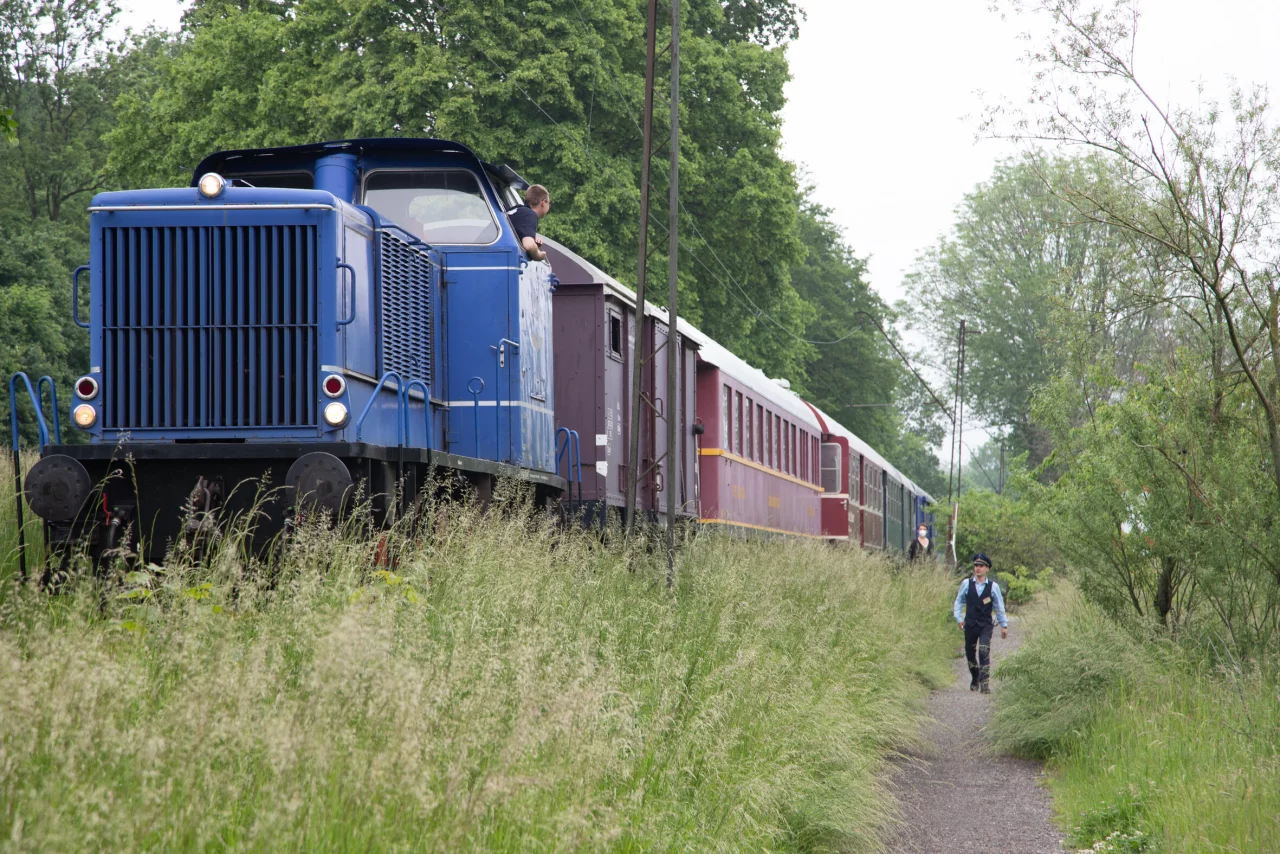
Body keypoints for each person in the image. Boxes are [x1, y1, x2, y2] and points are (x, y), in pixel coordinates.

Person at [952, 553, 1008, 693]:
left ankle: (985, 683)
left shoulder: (993, 587)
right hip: (970, 624)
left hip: (985, 625)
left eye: (981, 566)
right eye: (976, 565)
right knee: (970, 653)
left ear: (987, 568)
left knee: (984, 650)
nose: (978, 568)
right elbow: (959, 601)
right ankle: (975, 676)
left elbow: (999, 607)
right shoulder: (966, 584)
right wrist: (958, 618)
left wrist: (1004, 625)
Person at [506, 184, 550, 261]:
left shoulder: (517, 210)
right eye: (549, 203)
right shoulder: (530, 214)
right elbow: (528, 245)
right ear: (543, 202)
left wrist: (534, 244)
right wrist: (539, 255)